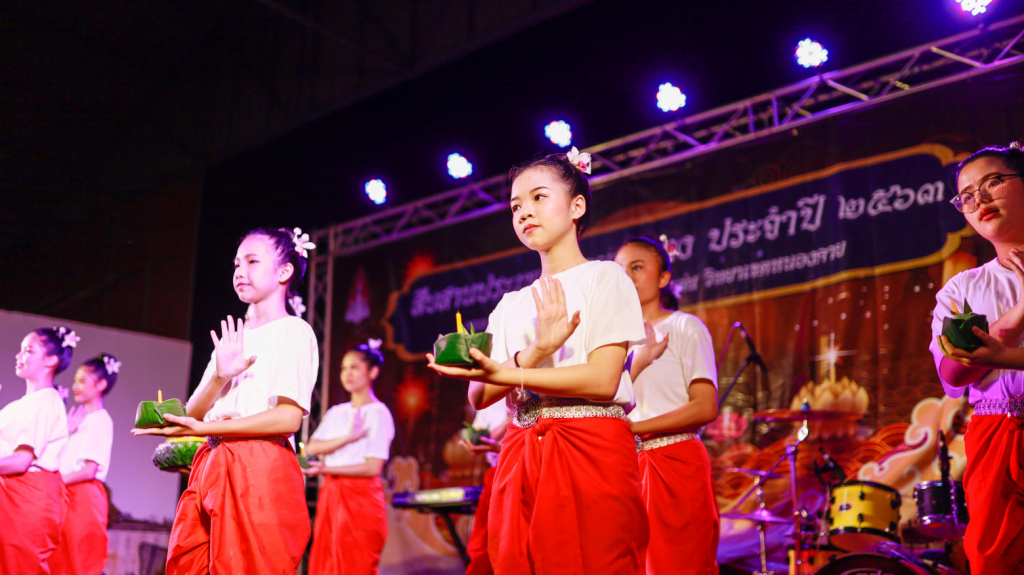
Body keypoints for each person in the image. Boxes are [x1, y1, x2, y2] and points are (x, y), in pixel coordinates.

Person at [428, 147, 649, 574]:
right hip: (522, 447)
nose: (524, 212)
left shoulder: (605, 277)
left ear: (576, 207)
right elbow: (480, 396)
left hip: (591, 445)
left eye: (538, 197)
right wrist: (536, 352)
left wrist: (512, 372)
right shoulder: (510, 304)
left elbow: (603, 380)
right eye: (515, 206)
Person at [133, 227, 319, 575]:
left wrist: (203, 428)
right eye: (236, 264)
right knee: (189, 564)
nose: (239, 271)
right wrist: (220, 376)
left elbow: (288, 418)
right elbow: (193, 412)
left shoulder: (293, 331)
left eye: (252, 261)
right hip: (212, 459)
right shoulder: (236, 337)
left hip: (260, 463)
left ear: (284, 271)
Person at [931, 142, 1024, 574]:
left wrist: (1006, 357)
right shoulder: (963, 288)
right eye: (966, 195)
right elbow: (953, 372)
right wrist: (1017, 315)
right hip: (995, 431)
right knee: (992, 559)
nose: (980, 199)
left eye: (993, 182)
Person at [615, 237, 720, 575]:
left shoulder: (684, 327)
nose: (626, 277)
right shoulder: (610, 343)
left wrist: (633, 429)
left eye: (637, 267)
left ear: (663, 278)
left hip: (675, 462)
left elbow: (705, 407)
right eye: (619, 270)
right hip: (622, 469)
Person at [304, 340, 395, 575]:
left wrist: (326, 469)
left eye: (354, 367)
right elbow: (313, 446)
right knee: (326, 563)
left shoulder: (378, 413)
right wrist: (347, 438)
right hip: (331, 494)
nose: (348, 374)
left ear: (372, 372)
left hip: (361, 498)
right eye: (344, 368)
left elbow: (373, 468)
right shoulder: (337, 412)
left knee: (356, 564)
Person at [0, 326, 76, 575]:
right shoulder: (18, 406)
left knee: (19, 567)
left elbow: (21, 460)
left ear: (51, 360)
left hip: (26, 498)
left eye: (28, 350)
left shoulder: (46, 400)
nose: (19, 355)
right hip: (13, 494)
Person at [50, 354, 119, 575]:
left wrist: (54, 482)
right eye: (74, 381)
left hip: (83, 496)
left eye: (82, 380)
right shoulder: (81, 420)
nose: (75, 386)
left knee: (78, 560)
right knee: (60, 558)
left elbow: (89, 470)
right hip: (68, 492)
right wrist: (67, 431)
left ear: (101, 384)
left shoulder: (100, 420)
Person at [462, 400, 508, 575]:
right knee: (483, 543)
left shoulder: (528, 391)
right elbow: (479, 435)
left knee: (510, 541)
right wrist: (472, 441)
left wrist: (508, 423)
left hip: (523, 468)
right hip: (494, 473)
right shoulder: (488, 397)